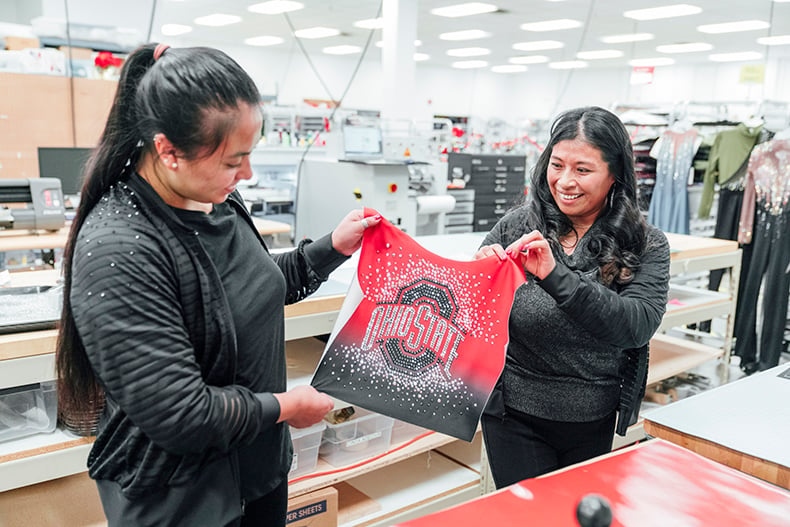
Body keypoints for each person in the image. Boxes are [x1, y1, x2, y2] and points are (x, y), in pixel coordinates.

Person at [56, 42, 381, 526]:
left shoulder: (217, 200)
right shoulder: (119, 246)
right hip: (183, 499)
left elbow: (259, 287)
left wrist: (334, 245)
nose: (245, 174)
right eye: (233, 162)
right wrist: (286, 406)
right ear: (168, 151)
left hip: (257, 474)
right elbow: (181, 414)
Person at [474, 106, 670, 488]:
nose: (564, 181)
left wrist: (555, 275)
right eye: (557, 164)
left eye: (582, 170)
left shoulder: (644, 242)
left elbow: (636, 325)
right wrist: (480, 277)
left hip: (589, 419)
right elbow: (471, 314)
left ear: (615, 174)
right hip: (511, 414)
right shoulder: (517, 226)